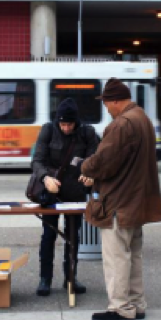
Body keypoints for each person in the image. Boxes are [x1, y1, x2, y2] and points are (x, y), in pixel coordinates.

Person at [80, 78, 161, 320]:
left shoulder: (123, 124)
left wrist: (85, 166)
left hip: (119, 201)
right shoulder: (143, 119)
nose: (106, 109)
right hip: (136, 202)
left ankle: (120, 308)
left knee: (117, 257)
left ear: (115, 100)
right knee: (133, 255)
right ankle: (136, 304)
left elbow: (103, 161)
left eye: (107, 103)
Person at [32, 98, 100, 297]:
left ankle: (70, 277)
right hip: (51, 193)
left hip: (75, 192)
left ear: (76, 122)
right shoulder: (48, 130)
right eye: (62, 124)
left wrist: (91, 173)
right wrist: (45, 178)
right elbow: (37, 161)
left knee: (72, 237)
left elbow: (95, 158)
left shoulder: (86, 133)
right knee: (48, 235)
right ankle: (45, 278)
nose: (66, 128)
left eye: (69, 124)